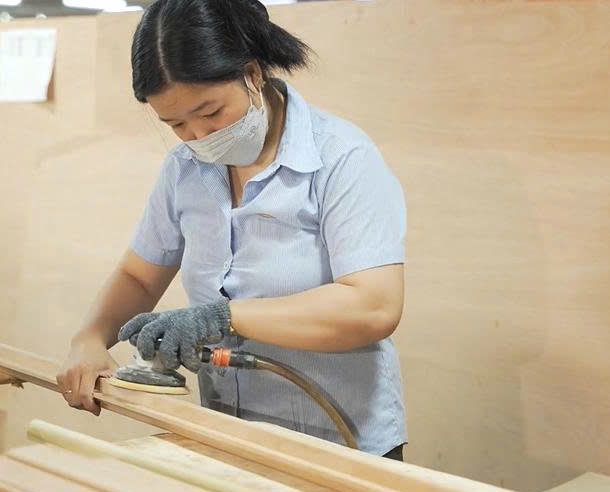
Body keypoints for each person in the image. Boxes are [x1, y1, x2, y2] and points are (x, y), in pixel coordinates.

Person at [57, 0, 408, 460]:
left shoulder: (342, 158)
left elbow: (373, 306)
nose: (199, 136)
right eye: (176, 124)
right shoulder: (185, 170)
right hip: (228, 437)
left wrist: (224, 317)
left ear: (252, 73)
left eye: (211, 112)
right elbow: (139, 277)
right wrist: (89, 338)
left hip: (340, 442)